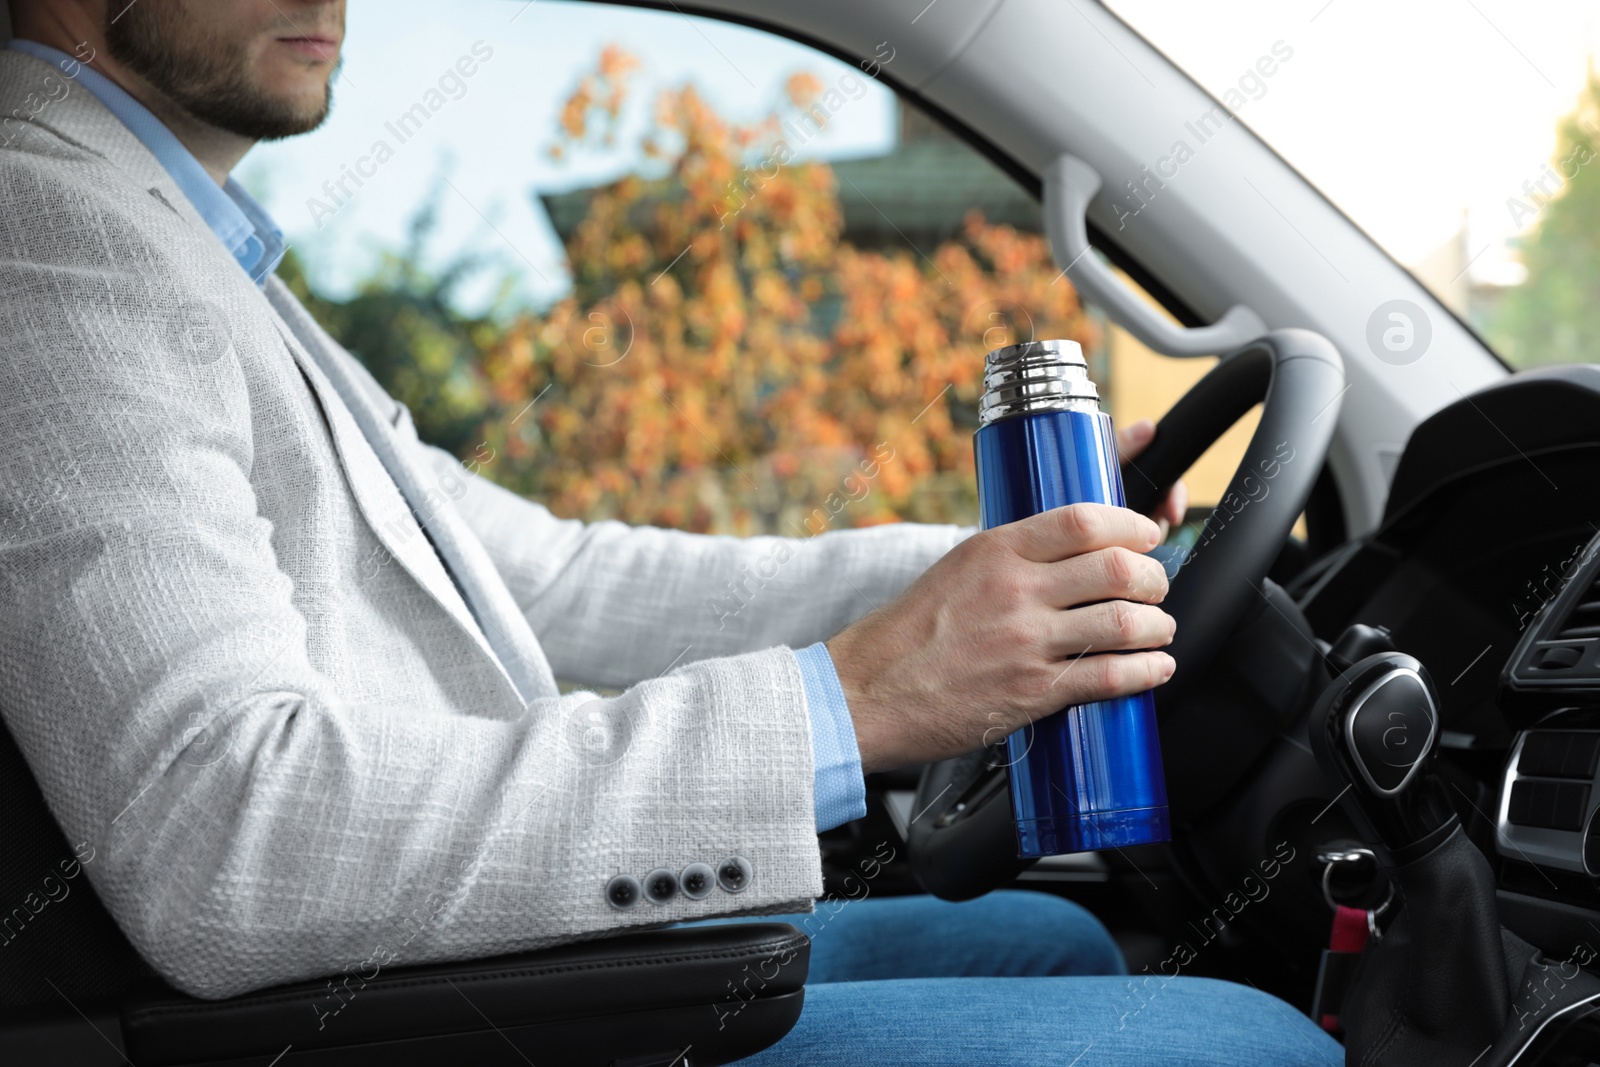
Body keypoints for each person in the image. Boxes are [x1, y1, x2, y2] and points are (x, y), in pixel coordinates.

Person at [0, 1, 1339, 1061]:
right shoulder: (51, 232)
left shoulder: (187, 246)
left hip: (455, 982)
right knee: (1256, 1042)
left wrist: (1008, 574)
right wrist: (850, 702)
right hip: (404, 1020)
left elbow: (556, 577)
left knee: (1046, 938)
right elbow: (233, 841)